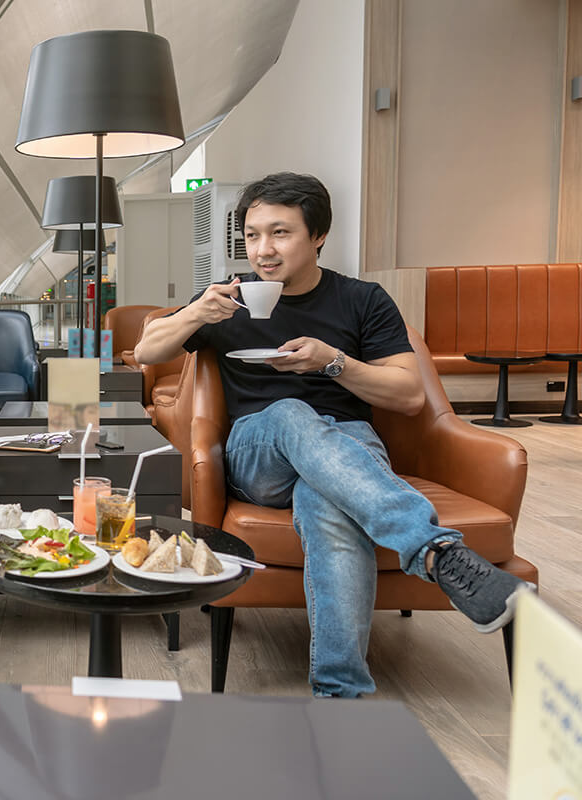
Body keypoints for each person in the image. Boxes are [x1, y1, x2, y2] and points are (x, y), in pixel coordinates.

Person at [134, 172, 531, 698]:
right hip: (259, 451)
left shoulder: (362, 300)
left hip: (348, 446)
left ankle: (340, 695)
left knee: (325, 501)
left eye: (280, 233)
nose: (263, 250)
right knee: (291, 412)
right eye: (252, 235)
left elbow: (410, 394)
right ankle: (435, 550)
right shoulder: (225, 298)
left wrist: (334, 363)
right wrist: (197, 312)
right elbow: (145, 351)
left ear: (318, 235)